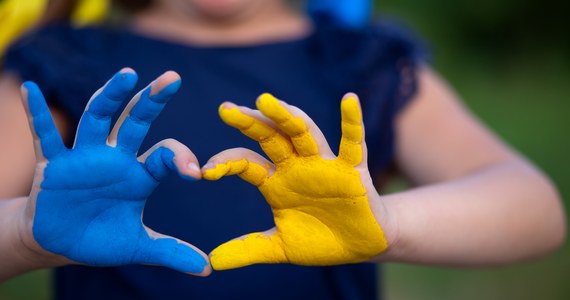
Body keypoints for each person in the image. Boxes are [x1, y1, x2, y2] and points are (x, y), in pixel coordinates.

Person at [0, 0, 565, 299]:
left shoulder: (361, 62)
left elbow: (534, 208)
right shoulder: (61, 64)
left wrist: (390, 222)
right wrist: (25, 234)